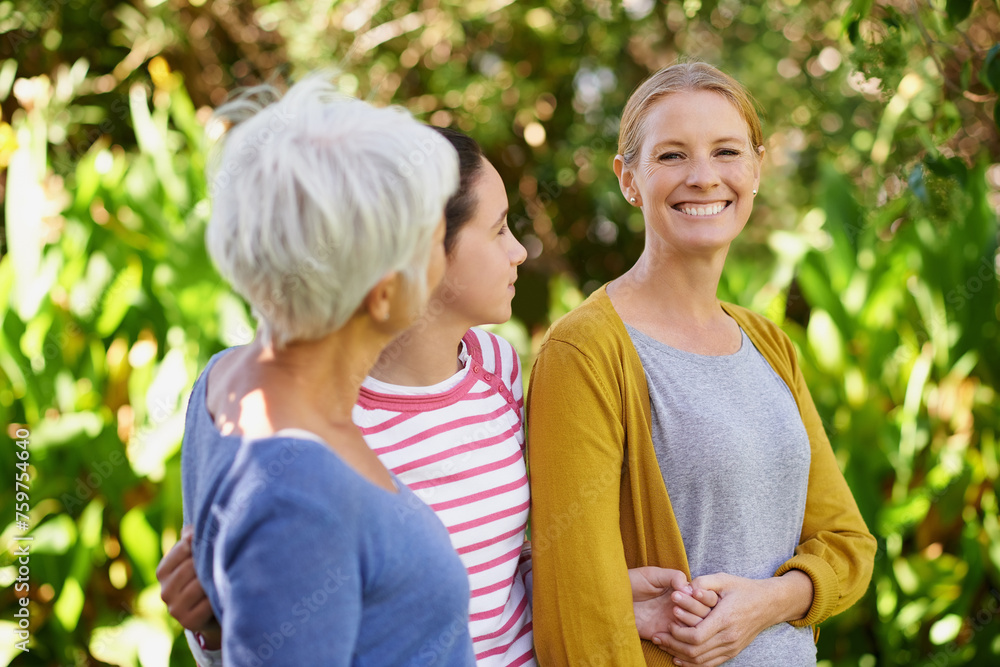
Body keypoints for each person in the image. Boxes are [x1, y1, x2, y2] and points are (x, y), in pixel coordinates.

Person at [160, 127, 721, 666]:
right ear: (425, 252)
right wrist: (209, 632)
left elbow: (498, 567)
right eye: (498, 229)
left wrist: (604, 596)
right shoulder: (316, 424)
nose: (520, 251)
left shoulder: (497, 367)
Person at [526, 62, 877, 667]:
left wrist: (768, 602)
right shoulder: (583, 353)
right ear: (628, 178)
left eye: (726, 151)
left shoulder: (768, 342)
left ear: (757, 168)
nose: (703, 177)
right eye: (671, 156)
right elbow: (577, 608)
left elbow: (848, 544)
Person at [177, 75, 477, 665]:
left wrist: (212, 628)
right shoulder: (301, 493)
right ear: (383, 295)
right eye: (435, 243)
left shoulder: (221, 382)